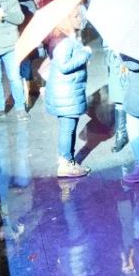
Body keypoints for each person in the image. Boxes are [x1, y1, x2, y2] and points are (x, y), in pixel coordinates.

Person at [44, 9, 92, 179]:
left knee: (67, 129)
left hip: (65, 91)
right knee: (67, 129)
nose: (81, 19)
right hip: (67, 93)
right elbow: (65, 66)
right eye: (76, 16)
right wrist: (85, 54)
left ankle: (67, 161)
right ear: (67, 19)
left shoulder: (63, 38)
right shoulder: (64, 42)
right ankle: (66, 164)